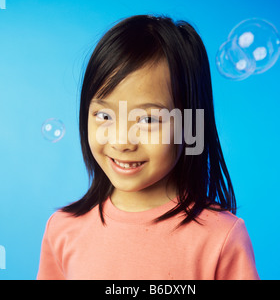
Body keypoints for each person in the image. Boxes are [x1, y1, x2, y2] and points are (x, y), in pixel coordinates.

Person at [37, 14, 259, 280]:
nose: (121, 141)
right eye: (105, 116)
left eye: (148, 119)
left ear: (191, 125)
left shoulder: (220, 237)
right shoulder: (62, 229)